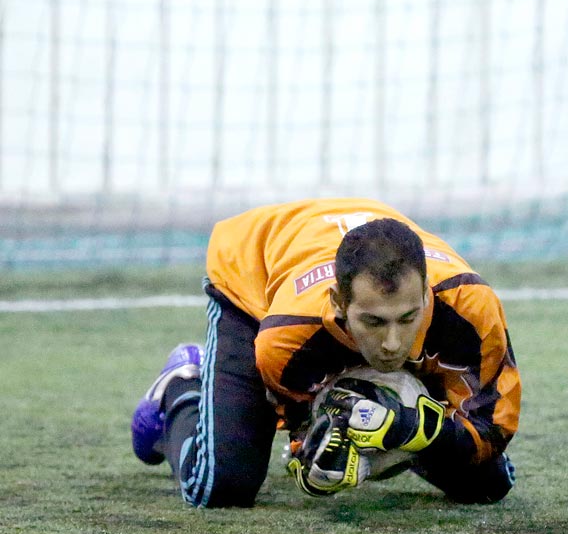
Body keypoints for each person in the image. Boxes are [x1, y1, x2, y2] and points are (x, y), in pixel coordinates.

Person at [130, 197, 521, 507]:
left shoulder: (470, 306)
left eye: (407, 319)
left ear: (425, 294)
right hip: (254, 277)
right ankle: (183, 383)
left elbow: (490, 429)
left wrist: (405, 433)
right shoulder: (287, 338)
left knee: (486, 484)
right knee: (221, 485)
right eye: (373, 322)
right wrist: (314, 451)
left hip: (324, 265)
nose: (392, 343)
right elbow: (304, 438)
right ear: (338, 303)